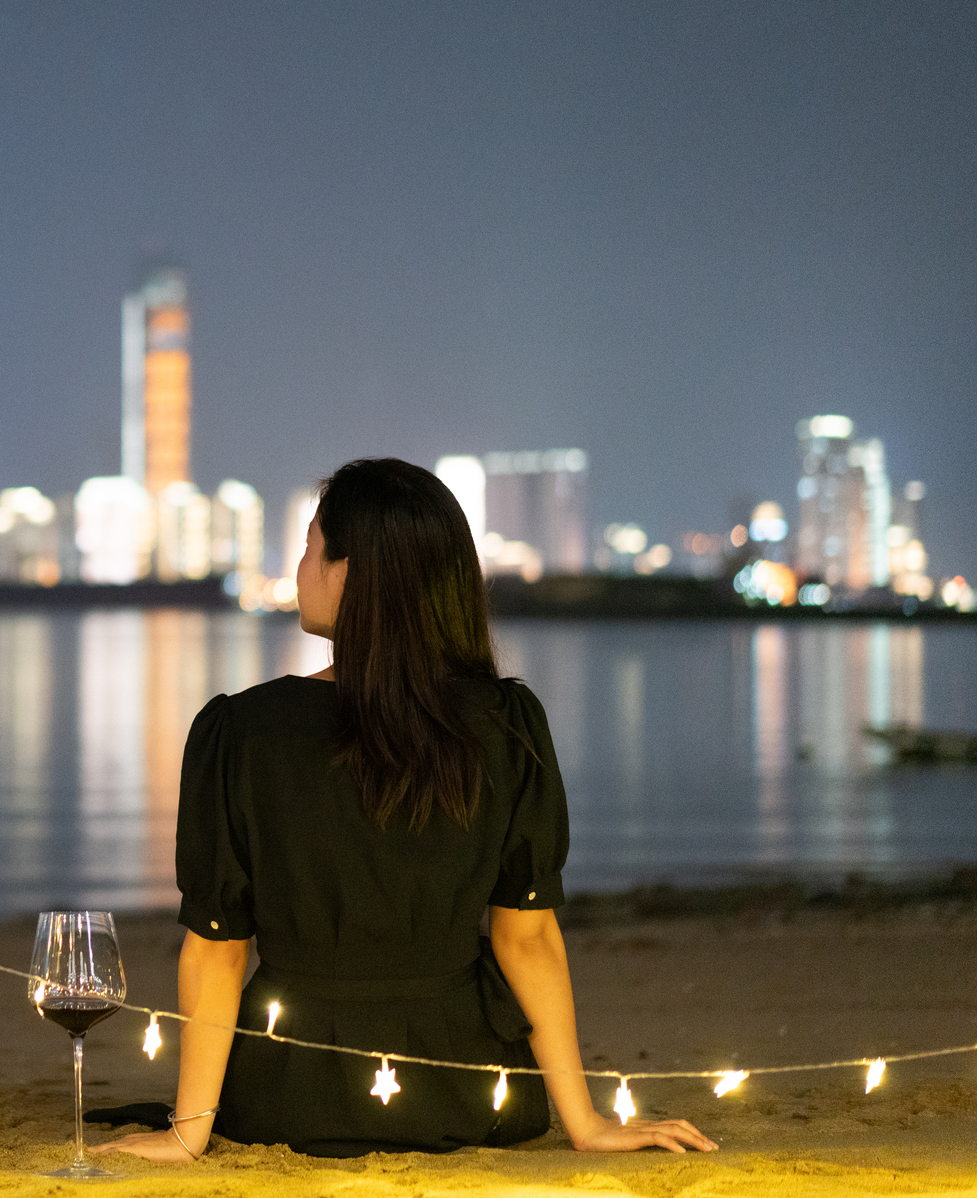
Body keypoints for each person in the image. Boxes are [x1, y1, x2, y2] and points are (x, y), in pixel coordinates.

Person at [95, 458, 715, 1162]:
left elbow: (218, 945)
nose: (299, 567)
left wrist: (188, 1133)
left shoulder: (244, 732)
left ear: (351, 574)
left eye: (308, 547)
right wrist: (586, 1123)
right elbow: (528, 937)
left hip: (286, 1089)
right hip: (468, 1090)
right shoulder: (506, 724)